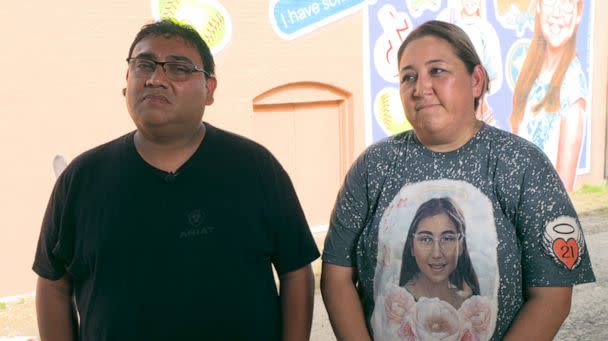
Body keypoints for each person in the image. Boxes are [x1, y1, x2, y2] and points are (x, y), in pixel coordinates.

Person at [33, 19, 319, 341]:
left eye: (179, 68)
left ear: (209, 89)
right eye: (143, 65)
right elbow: (53, 284)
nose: (156, 79)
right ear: (127, 80)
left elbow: (296, 272)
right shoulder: (81, 179)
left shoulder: (256, 169)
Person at [321, 20, 594, 341]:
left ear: (476, 80)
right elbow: (336, 278)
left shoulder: (523, 164)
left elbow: (553, 295)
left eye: (437, 71)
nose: (420, 87)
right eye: (409, 76)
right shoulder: (372, 167)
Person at [511, 0, 586, 192]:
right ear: (538, 6)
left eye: (568, 2)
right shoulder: (528, 69)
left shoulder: (572, 85)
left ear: (578, 14)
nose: (558, 12)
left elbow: (562, 194)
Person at [399, 197, 480, 309]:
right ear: (412, 247)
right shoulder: (396, 304)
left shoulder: (470, 304)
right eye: (426, 239)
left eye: (447, 238)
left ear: (461, 246)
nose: (437, 254)